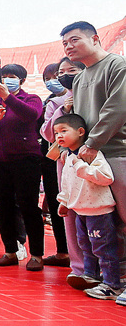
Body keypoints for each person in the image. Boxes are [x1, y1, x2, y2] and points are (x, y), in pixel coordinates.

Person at [61, 21, 126, 306]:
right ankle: (115, 281)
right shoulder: (79, 77)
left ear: (95, 38)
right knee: (107, 223)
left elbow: (118, 108)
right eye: (64, 43)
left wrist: (92, 143)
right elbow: (79, 121)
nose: (68, 46)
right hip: (90, 155)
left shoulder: (117, 66)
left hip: (116, 151)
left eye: (74, 40)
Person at [0, 64, 44, 270]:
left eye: (12, 77)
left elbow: (31, 115)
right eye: (4, 77)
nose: (7, 80)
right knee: (2, 206)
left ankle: (37, 254)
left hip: (25, 159)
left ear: (21, 81)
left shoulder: (31, 99)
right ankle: (10, 251)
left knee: (28, 205)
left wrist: (8, 97)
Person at [53, 113, 122, 299]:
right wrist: (64, 202)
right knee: (85, 245)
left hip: (99, 211)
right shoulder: (67, 157)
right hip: (80, 211)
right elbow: (66, 183)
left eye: (64, 131)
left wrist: (82, 167)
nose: (59, 136)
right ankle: (90, 276)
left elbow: (107, 177)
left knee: (103, 248)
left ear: (81, 132)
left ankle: (112, 284)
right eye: (56, 132)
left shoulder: (92, 154)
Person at [41, 57, 89, 286]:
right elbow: (47, 134)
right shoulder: (55, 102)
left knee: (103, 215)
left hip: (95, 161)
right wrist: (63, 109)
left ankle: (111, 268)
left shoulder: (95, 94)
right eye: (62, 71)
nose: (65, 75)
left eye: (72, 70)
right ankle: (79, 268)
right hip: (65, 164)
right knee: (70, 212)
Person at [37, 62, 69, 267]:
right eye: (47, 78)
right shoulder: (50, 102)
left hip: (79, 159)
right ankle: (63, 252)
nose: (52, 81)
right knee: (57, 203)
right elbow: (46, 132)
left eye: (56, 75)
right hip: (51, 159)